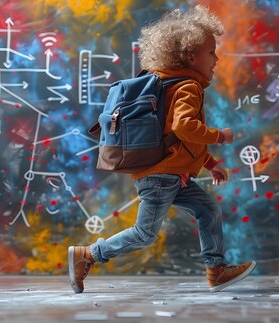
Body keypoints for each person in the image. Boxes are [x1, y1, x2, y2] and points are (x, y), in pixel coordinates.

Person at [68, 5, 256, 294]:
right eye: (211, 52)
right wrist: (219, 136)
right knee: (144, 234)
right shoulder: (188, 87)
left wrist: (209, 163)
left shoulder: (167, 83)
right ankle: (88, 254)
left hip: (171, 173)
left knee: (209, 209)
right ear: (190, 56)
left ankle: (216, 271)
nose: (216, 59)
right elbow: (184, 128)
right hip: (162, 176)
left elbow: (176, 138)